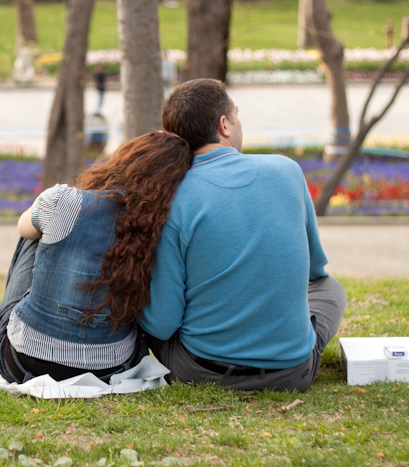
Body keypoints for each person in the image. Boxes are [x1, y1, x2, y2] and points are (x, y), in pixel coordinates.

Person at [139, 78, 347, 392]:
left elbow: (162, 323)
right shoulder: (286, 171)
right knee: (330, 288)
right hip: (291, 373)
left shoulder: (171, 196)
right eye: (237, 115)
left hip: (198, 371)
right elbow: (315, 271)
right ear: (225, 125)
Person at [0, 132, 194, 384]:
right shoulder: (163, 231)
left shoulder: (65, 201)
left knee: (35, 228)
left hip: (23, 363)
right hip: (111, 370)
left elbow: (23, 228)